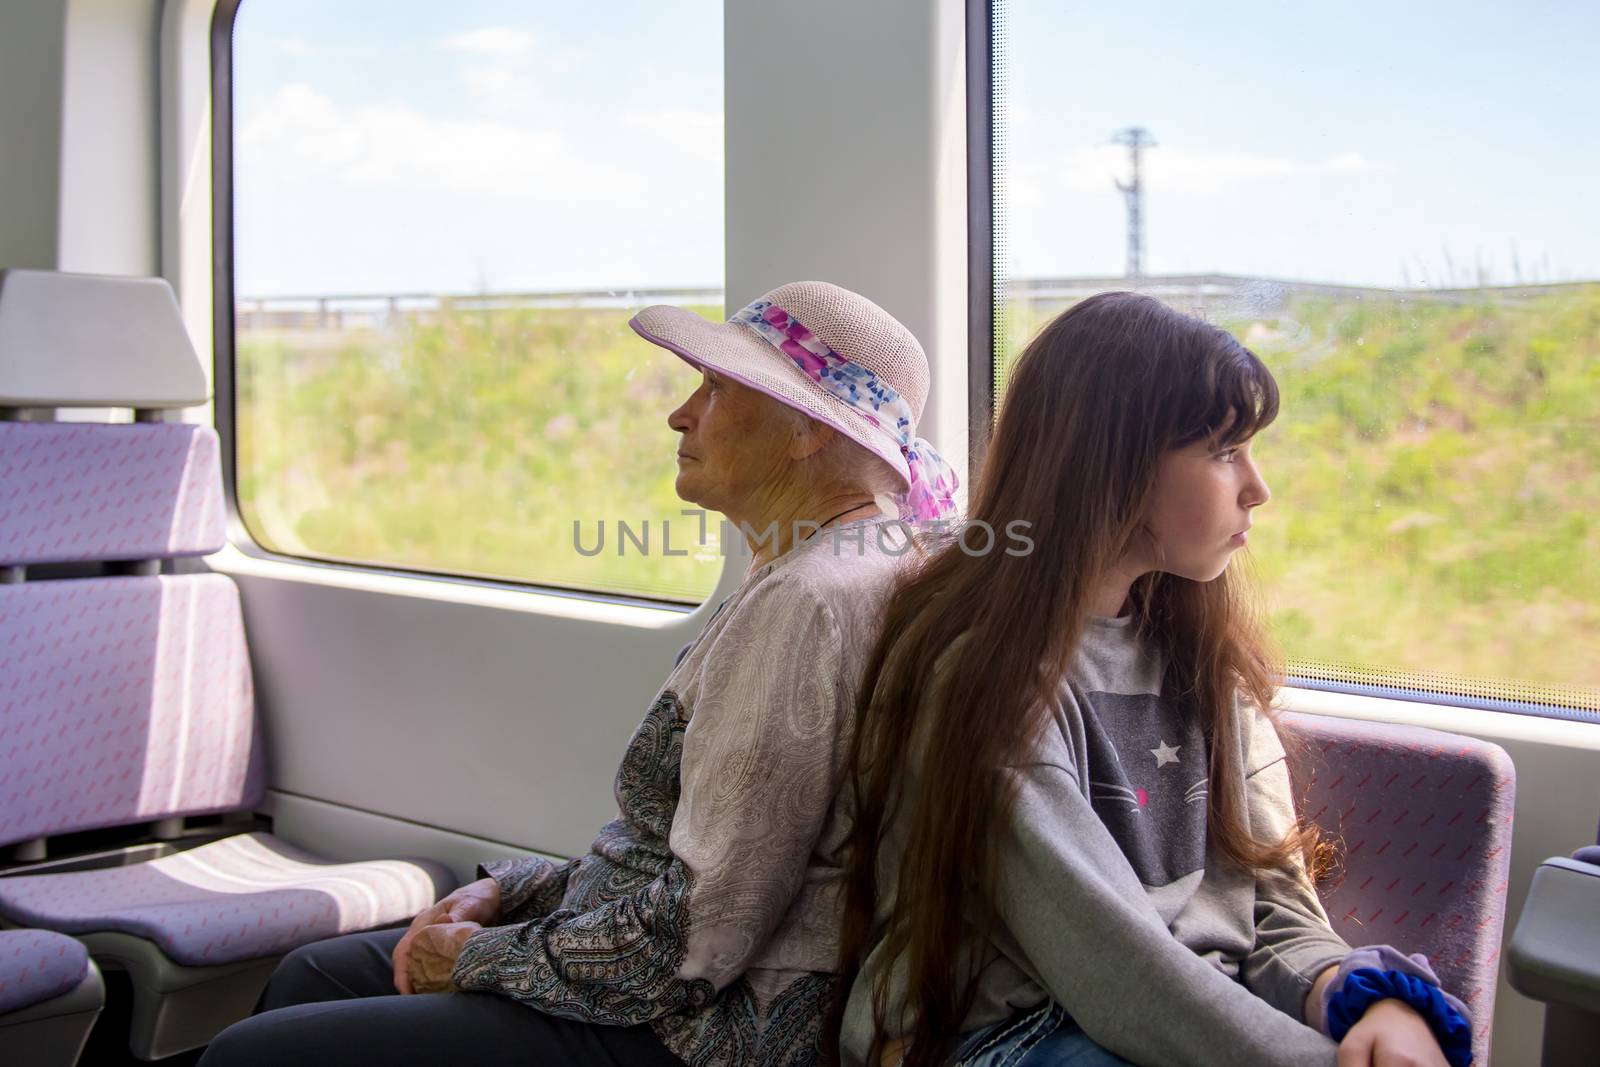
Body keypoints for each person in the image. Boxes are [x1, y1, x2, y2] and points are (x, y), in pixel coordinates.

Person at [198, 281, 958, 1067]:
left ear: (805, 431)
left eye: (717, 387)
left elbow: (703, 930)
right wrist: (513, 891)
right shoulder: (842, 565)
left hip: (698, 1030)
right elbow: (675, 856)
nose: (681, 412)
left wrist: (475, 958)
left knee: (249, 1053)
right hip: (667, 981)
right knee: (311, 971)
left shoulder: (809, 599)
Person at [833, 292, 1473, 1067]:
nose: (1257, 487)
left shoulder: (1203, 661)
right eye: (1223, 450)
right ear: (1116, 464)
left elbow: (1271, 903)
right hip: (1005, 1032)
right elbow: (1114, 967)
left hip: (1171, 1013)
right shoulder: (983, 677)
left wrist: (1356, 994)